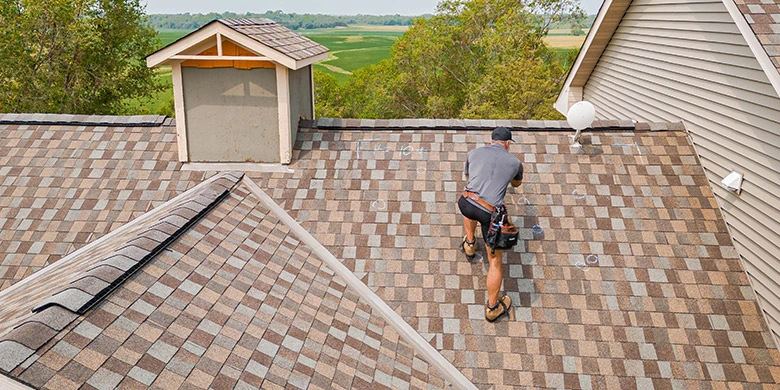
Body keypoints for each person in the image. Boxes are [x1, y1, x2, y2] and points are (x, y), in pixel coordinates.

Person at [458, 127, 523, 322]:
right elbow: (516, 185)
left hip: (465, 202)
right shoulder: (515, 163)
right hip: (488, 213)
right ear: (508, 143)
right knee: (494, 261)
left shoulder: (473, 153)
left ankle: (469, 244)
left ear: (490, 140)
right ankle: (493, 308)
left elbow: (470, 179)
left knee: (472, 200)